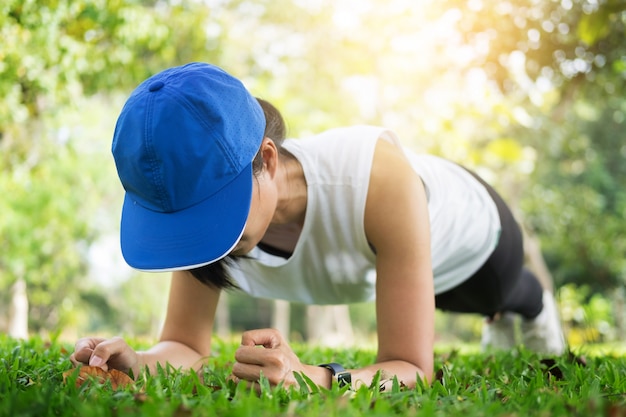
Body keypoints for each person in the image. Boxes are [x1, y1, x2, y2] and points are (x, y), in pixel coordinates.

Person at [70, 62, 566, 390]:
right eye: (183, 221)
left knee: (491, 298)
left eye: (213, 210)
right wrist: (139, 360)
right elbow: (184, 345)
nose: (203, 237)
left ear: (265, 159)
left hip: (474, 236)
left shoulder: (374, 177)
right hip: (383, 264)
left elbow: (414, 367)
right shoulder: (203, 232)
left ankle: (530, 305)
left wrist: (316, 377)